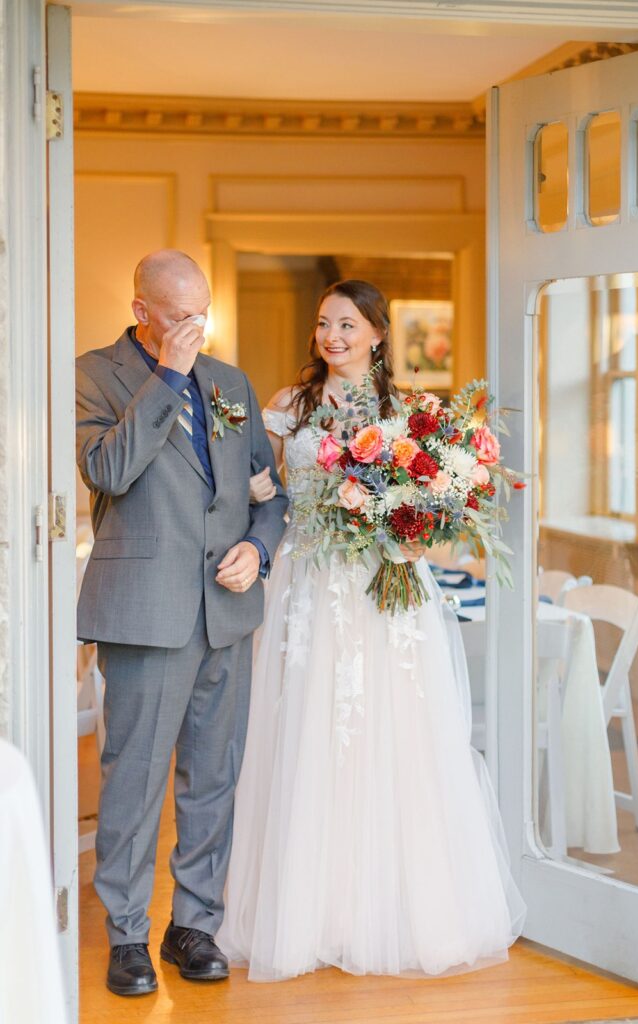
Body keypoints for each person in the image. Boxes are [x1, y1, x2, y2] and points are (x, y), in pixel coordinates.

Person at [218, 279, 526, 981]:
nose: (332, 336)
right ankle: (305, 912)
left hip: (386, 593)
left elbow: (441, 502)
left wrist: (416, 530)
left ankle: (398, 911)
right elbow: (257, 495)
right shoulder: (285, 410)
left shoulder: (414, 415)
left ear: (378, 334)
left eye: (347, 324)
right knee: (305, 734)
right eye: (323, 323)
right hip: (309, 587)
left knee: (398, 734)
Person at [76, 250, 287, 997]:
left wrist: (256, 549)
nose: (196, 328)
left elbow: (270, 493)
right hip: (144, 612)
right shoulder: (94, 374)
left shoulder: (231, 384)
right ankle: (127, 936)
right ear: (142, 311)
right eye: (179, 316)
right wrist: (167, 373)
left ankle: (193, 924)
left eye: (203, 314)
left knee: (213, 779)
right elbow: (109, 470)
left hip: (226, 614)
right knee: (132, 782)